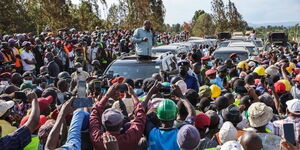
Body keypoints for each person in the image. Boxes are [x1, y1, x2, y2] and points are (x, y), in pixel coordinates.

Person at [89, 83, 146, 150]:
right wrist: (133, 95)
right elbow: (140, 116)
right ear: (121, 124)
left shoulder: (97, 139)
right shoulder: (130, 138)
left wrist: (107, 95)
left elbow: (94, 114)